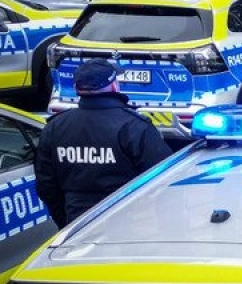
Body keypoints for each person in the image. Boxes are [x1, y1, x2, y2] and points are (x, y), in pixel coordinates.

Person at [33, 58, 172, 227]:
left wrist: (65, 223)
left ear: (77, 89)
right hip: (128, 221)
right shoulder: (133, 126)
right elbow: (165, 178)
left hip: (77, 222)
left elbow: (46, 185)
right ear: (114, 86)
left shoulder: (55, 127)